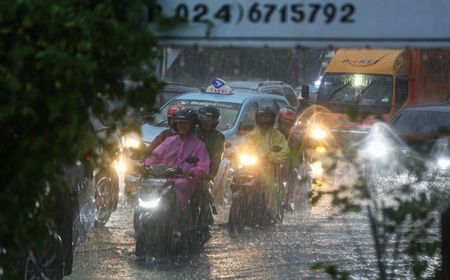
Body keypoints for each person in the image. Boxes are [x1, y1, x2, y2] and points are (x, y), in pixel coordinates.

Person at [144, 109, 210, 210]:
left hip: (186, 181)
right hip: (163, 179)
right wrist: (145, 165)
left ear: (192, 126)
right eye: (179, 123)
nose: (182, 126)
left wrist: (188, 171)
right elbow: (155, 156)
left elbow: (203, 167)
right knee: (146, 185)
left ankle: (179, 213)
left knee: (177, 185)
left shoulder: (199, 145)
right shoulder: (169, 141)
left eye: (185, 123)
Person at [238, 106, 289, 222]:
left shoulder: (278, 136)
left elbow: (284, 151)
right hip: (251, 167)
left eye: (267, 117)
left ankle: (272, 214)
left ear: (272, 119)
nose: (264, 120)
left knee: (269, 190)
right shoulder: (252, 134)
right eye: (262, 117)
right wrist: (235, 154)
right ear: (257, 118)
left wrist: (271, 158)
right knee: (236, 179)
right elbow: (243, 147)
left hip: (269, 168)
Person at [277, 107, 301, 211]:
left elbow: (299, 159)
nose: (286, 126)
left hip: (283, 169)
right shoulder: (271, 134)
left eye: (289, 124)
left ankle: (288, 199)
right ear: (279, 122)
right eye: (284, 123)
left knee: (295, 173)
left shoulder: (295, 140)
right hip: (265, 164)